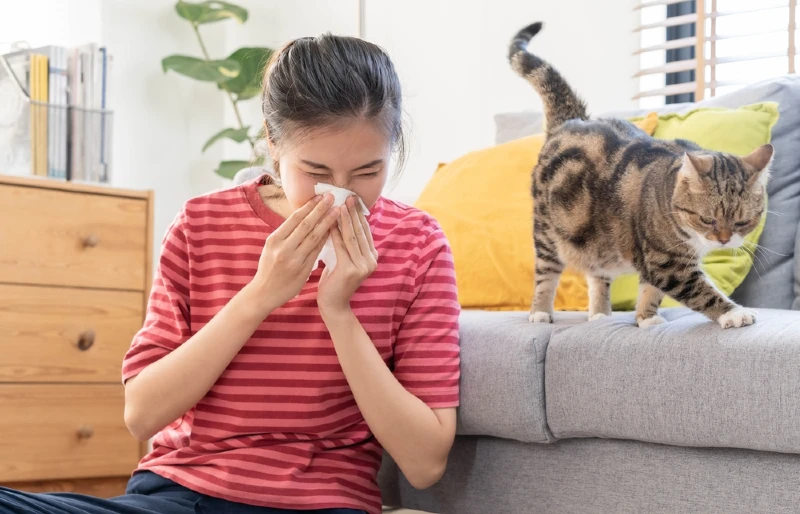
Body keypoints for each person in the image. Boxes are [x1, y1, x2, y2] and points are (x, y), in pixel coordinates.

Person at [0, 33, 460, 514]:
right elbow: (142, 414)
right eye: (315, 170)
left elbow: (424, 463)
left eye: (368, 172)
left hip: (319, 502)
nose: (338, 197)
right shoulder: (201, 224)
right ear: (272, 143)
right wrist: (260, 295)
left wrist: (338, 312)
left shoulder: (417, 244)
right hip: (180, 496)